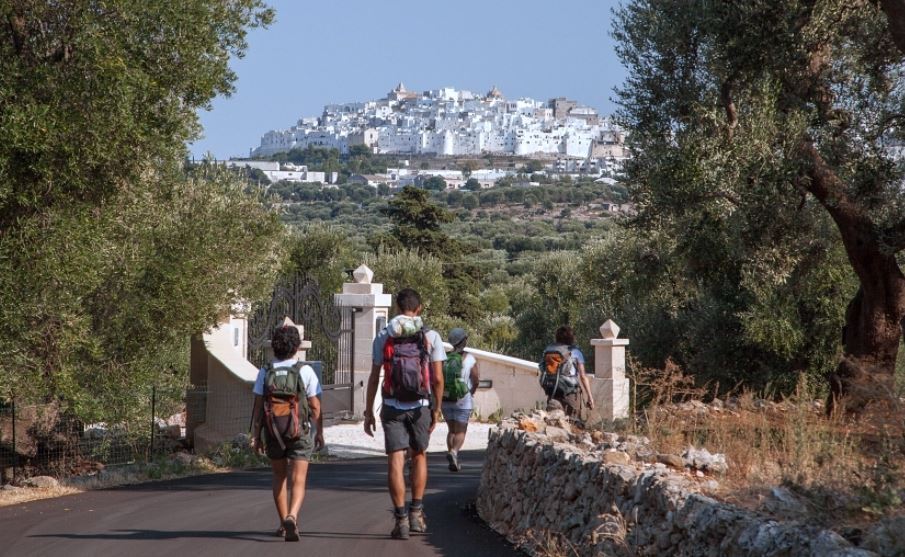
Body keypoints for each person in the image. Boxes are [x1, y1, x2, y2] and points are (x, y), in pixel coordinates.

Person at [364, 288, 445, 540]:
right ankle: (416, 515)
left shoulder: (383, 336)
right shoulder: (430, 336)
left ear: (398, 308)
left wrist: (368, 412)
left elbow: (374, 376)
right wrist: (437, 408)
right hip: (420, 405)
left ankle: (400, 521)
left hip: (391, 405)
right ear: (418, 308)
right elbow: (439, 378)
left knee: (395, 461)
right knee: (419, 456)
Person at [251, 323, 325, 542]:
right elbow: (316, 406)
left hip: (273, 432)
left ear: (274, 347)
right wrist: (319, 432)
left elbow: (257, 405)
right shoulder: (305, 371)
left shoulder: (265, 371)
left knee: (278, 476)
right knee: (298, 479)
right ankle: (292, 515)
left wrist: (256, 434)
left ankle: (283, 523)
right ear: (297, 347)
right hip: (299, 431)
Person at [441, 327, 479, 472]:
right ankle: (454, 452)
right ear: (464, 341)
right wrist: (471, 393)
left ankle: (454, 460)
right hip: (463, 399)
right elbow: (475, 379)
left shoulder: (445, 357)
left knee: (451, 430)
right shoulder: (470, 358)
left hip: (446, 399)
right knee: (461, 431)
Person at [550, 325, 595, 417]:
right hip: (571, 394)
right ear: (571, 338)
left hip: (554, 392)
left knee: (554, 422)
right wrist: (590, 397)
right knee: (573, 423)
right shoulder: (576, 352)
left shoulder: (551, 351)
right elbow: (583, 376)